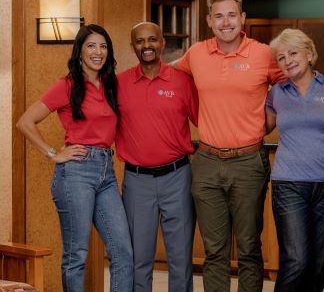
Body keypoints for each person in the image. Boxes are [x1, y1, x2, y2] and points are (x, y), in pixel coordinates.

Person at [174, 0, 284, 292]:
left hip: (249, 162)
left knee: (249, 247)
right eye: (219, 16)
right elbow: (168, 77)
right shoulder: (196, 53)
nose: (226, 22)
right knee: (214, 251)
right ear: (209, 20)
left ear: (243, 18)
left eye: (232, 15)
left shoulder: (263, 54)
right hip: (206, 162)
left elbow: (291, 85)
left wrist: (269, 120)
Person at [16, 24, 133, 292]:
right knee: (76, 255)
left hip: (106, 172)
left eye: (103, 46)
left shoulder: (111, 85)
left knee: (123, 252)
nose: (98, 51)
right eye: (91, 45)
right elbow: (25, 122)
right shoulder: (66, 85)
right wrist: (53, 153)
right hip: (76, 174)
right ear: (79, 50)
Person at [115, 22, 198, 292]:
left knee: (181, 259)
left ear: (162, 43)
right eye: (140, 41)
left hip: (178, 177)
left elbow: (207, 121)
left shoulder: (183, 81)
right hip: (137, 181)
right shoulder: (119, 84)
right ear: (133, 47)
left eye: (152, 40)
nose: (146, 46)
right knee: (139, 260)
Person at [265, 28, 324, 292]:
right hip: (289, 185)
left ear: (309, 53)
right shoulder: (276, 93)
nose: (287, 61)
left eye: (293, 53)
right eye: (281, 57)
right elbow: (260, 127)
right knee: (296, 260)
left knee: (319, 263)